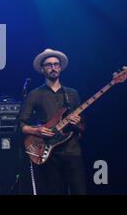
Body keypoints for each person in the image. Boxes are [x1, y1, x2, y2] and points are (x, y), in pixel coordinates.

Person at [19, 49, 86, 195]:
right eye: (49, 65)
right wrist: (36, 130)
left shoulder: (72, 94)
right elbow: (22, 125)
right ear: (42, 69)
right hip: (48, 152)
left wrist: (78, 122)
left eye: (56, 64)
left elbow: (83, 126)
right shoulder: (35, 94)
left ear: (60, 68)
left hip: (72, 151)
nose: (53, 67)